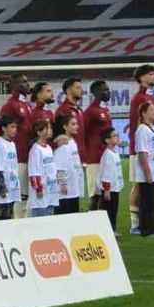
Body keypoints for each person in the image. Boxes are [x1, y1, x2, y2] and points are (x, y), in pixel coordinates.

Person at [126, 65, 154, 235]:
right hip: (140, 148)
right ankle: (134, 223)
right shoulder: (139, 98)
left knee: (149, 184)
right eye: (151, 74)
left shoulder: (150, 96)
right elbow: (136, 124)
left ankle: (148, 221)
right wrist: (138, 148)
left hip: (152, 148)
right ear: (142, 77)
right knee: (139, 185)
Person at [0, 74, 34, 218]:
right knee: (20, 197)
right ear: (16, 85)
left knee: (26, 196)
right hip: (18, 157)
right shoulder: (10, 105)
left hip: (28, 155)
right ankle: (17, 226)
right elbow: (2, 130)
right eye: (24, 82)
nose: (28, 84)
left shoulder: (26, 104)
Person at [82, 80, 114, 211]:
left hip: (106, 156)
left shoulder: (105, 110)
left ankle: (105, 225)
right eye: (104, 90)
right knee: (95, 193)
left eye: (108, 89)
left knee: (106, 192)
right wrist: (85, 156)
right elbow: (83, 132)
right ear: (95, 93)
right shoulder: (90, 111)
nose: (107, 92)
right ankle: (92, 224)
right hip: (94, 157)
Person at [0, 116, 21, 221]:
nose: (15, 130)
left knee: (10, 218)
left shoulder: (12, 144)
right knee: (2, 220)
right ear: (3, 128)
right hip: (3, 193)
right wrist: (2, 189)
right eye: (12, 127)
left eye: (16, 127)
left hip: (12, 188)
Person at [53, 114, 84, 214]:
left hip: (74, 189)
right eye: (73, 124)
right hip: (65, 192)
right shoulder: (62, 144)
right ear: (65, 127)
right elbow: (59, 167)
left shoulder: (73, 142)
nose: (77, 126)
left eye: (77, 124)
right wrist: (62, 186)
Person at [27, 120, 58, 218]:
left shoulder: (48, 148)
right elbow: (34, 171)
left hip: (51, 191)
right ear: (39, 132)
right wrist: (38, 188)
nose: (50, 130)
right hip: (41, 193)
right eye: (47, 128)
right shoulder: (35, 150)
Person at [97, 129, 124, 232]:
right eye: (114, 136)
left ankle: (113, 229)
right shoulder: (108, 155)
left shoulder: (115, 153)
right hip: (109, 189)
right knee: (109, 211)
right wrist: (107, 189)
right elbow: (106, 173)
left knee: (114, 210)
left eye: (117, 135)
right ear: (107, 140)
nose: (117, 137)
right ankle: (108, 231)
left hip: (115, 188)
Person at [56, 78, 85, 163]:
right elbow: (59, 134)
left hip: (80, 155)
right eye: (77, 87)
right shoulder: (63, 110)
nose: (81, 90)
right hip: (69, 155)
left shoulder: (79, 110)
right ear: (68, 90)